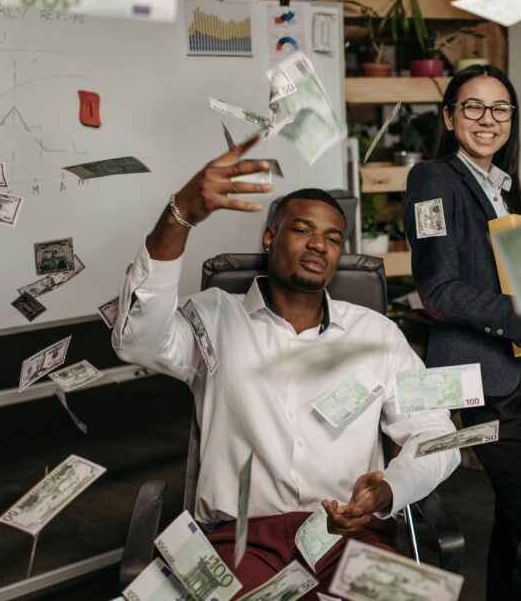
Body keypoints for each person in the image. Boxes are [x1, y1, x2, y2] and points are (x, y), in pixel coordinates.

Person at [112, 138, 459, 597]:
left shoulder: (380, 334)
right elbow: (136, 339)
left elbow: (440, 435)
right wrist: (180, 215)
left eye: (333, 238)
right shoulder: (212, 316)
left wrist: (390, 490)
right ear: (271, 236)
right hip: (237, 542)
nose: (319, 244)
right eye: (302, 230)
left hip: (349, 539)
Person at [403, 64, 521, 600]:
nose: (488, 119)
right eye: (474, 107)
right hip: (485, 382)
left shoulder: (515, 199)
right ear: (449, 115)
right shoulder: (432, 182)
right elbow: (438, 288)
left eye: (500, 108)